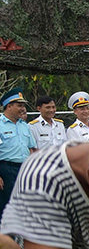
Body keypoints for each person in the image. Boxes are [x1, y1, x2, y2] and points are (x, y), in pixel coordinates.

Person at [0, 90, 36, 218]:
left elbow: (32, 149)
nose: (23, 108)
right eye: (19, 105)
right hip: (6, 170)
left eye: (23, 105)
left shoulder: (24, 125)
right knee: (6, 207)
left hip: (24, 170)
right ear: (9, 106)